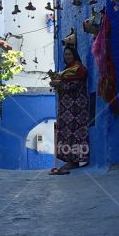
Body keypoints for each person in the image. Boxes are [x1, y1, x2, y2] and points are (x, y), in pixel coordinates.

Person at [48, 43, 90, 175]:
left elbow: (76, 85)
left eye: (69, 54)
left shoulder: (79, 69)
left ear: (75, 55)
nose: (67, 56)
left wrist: (59, 84)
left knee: (75, 132)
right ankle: (71, 160)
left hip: (76, 108)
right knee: (67, 133)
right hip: (67, 108)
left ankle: (76, 160)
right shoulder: (67, 70)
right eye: (65, 54)